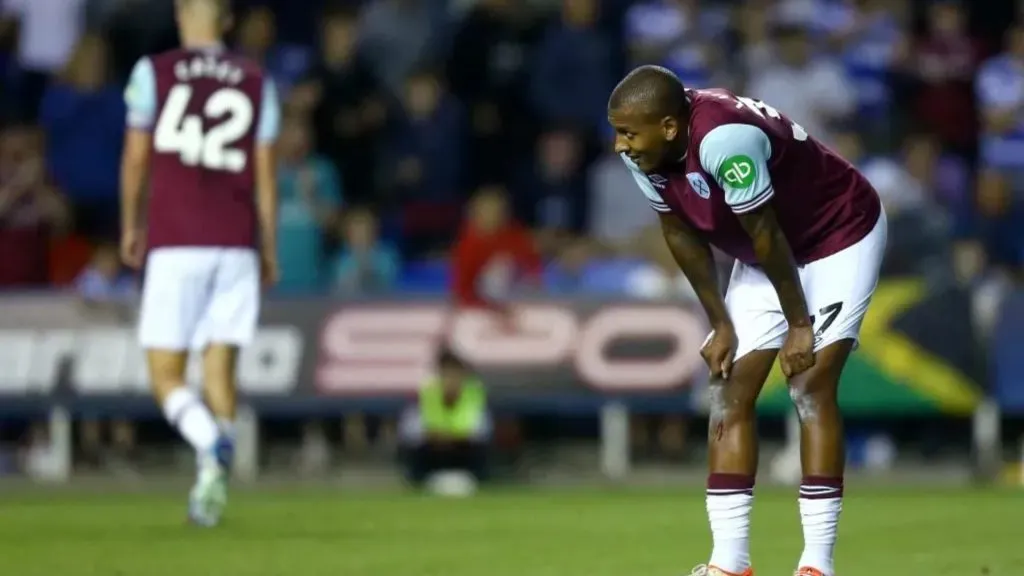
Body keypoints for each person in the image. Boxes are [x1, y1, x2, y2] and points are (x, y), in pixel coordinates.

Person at [607, 65, 886, 576]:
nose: (619, 145)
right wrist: (722, 323)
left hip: (837, 234)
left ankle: (817, 566)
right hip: (767, 253)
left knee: (809, 383)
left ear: (669, 127)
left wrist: (799, 324)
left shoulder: (725, 139)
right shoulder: (645, 145)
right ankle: (729, 563)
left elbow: (765, 233)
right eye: (617, 132)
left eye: (627, 134)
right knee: (728, 389)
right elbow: (680, 232)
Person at [119, 0, 280, 527]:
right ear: (228, 21)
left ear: (181, 14)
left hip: (178, 239)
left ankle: (210, 443)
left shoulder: (154, 73)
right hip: (234, 241)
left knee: (166, 375)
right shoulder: (258, 80)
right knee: (220, 369)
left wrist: (131, 224)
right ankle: (211, 487)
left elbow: (138, 157)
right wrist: (268, 246)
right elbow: (265, 180)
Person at [398, 349, 491, 491]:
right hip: (434, 447)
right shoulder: (428, 392)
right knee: (416, 450)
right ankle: (419, 480)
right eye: (446, 373)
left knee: (480, 450)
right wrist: (436, 435)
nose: (451, 379)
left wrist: (454, 436)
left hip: (463, 447)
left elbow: (482, 429)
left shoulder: (473, 393)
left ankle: (476, 479)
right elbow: (410, 431)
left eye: (455, 373)